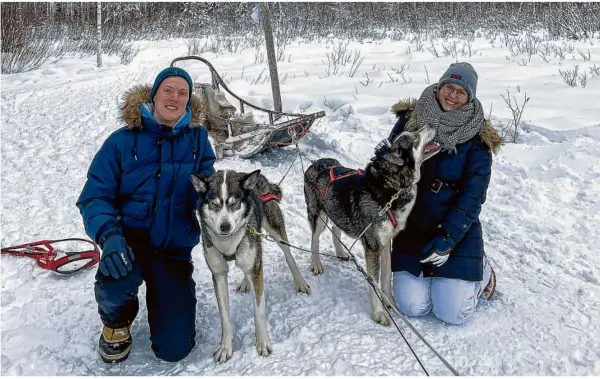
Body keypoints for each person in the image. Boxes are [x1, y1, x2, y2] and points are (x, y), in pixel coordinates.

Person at [76, 67, 216, 363]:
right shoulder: (122, 141)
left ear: (189, 101)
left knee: (174, 349)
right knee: (114, 279)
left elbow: (207, 188)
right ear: (154, 95)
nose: (174, 98)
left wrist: (222, 202)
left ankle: (171, 301)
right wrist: (109, 237)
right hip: (128, 241)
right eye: (168, 90)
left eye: (182, 93)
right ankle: (116, 322)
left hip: (173, 248)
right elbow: (95, 196)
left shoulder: (197, 139)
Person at [374, 62, 502, 325]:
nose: (452, 96)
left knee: (452, 313)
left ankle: (483, 271)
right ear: (439, 87)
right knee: (412, 306)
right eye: (449, 87)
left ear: (470, 98)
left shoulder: (477, 138)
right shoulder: (411, 119)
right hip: (412, 226)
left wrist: (449, 239)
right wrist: (383, 162)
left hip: (454, 228)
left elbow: (473, 197)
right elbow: (394, 169)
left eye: (461, 92)